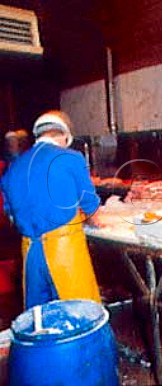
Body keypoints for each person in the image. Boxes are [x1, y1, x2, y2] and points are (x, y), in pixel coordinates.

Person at [1, 110, 102, 309]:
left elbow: (11, 214)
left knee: (40, 319)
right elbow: (92, 208)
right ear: (64, 136)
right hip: (64, 252)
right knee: (80, 316)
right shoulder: (70, 158)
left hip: (30, 254)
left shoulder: (13, 168)